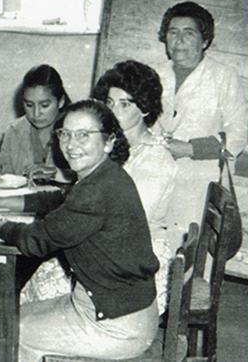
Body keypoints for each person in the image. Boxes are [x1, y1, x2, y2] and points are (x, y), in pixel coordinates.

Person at [0, 99, 159, 361]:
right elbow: (56, 199)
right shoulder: (103, 175)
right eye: (65, 134)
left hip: (117, 325)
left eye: (83, 135)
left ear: (108, 141)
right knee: (12, 319)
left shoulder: (96, 191)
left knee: (8, 330)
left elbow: (36, 241)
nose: (70, 144)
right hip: (113, 305)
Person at [150, 1, 248, 242]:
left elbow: (237, 135)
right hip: (154, 174)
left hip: (198, 182)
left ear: (204, 41)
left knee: (188, 250)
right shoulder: (153, 74)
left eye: (188, 33)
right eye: (173, 32)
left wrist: (189, 148)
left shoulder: (224, 77)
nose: (178, 39)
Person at [91, 60, 177, 312]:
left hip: (136, 258)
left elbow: (132, 219)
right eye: (109, 102)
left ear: (145, 108)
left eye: (125, 104)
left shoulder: (156, 159)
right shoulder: (111, 145)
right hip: (106, 244)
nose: (113, 111)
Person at [0, 64, 70, 183]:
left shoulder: (74, 132)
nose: (36, 113)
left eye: (44, 105)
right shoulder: (14, 131)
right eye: (29, 105)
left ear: (61, 102)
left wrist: (56, 173)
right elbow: (4, 178)